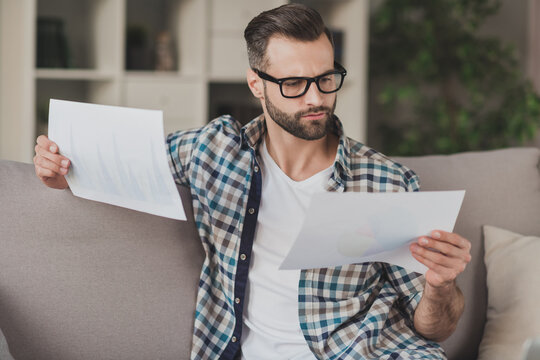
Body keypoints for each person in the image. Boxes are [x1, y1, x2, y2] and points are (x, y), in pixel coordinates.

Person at [33, 4, 471, 360]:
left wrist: (440, 286)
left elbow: (436, 328)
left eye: (325, 78)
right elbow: (109, 165)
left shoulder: (387, 181)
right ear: (256, 85)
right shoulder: (212, 151)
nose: (317, 97)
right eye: (295, 84)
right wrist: (58, 171)